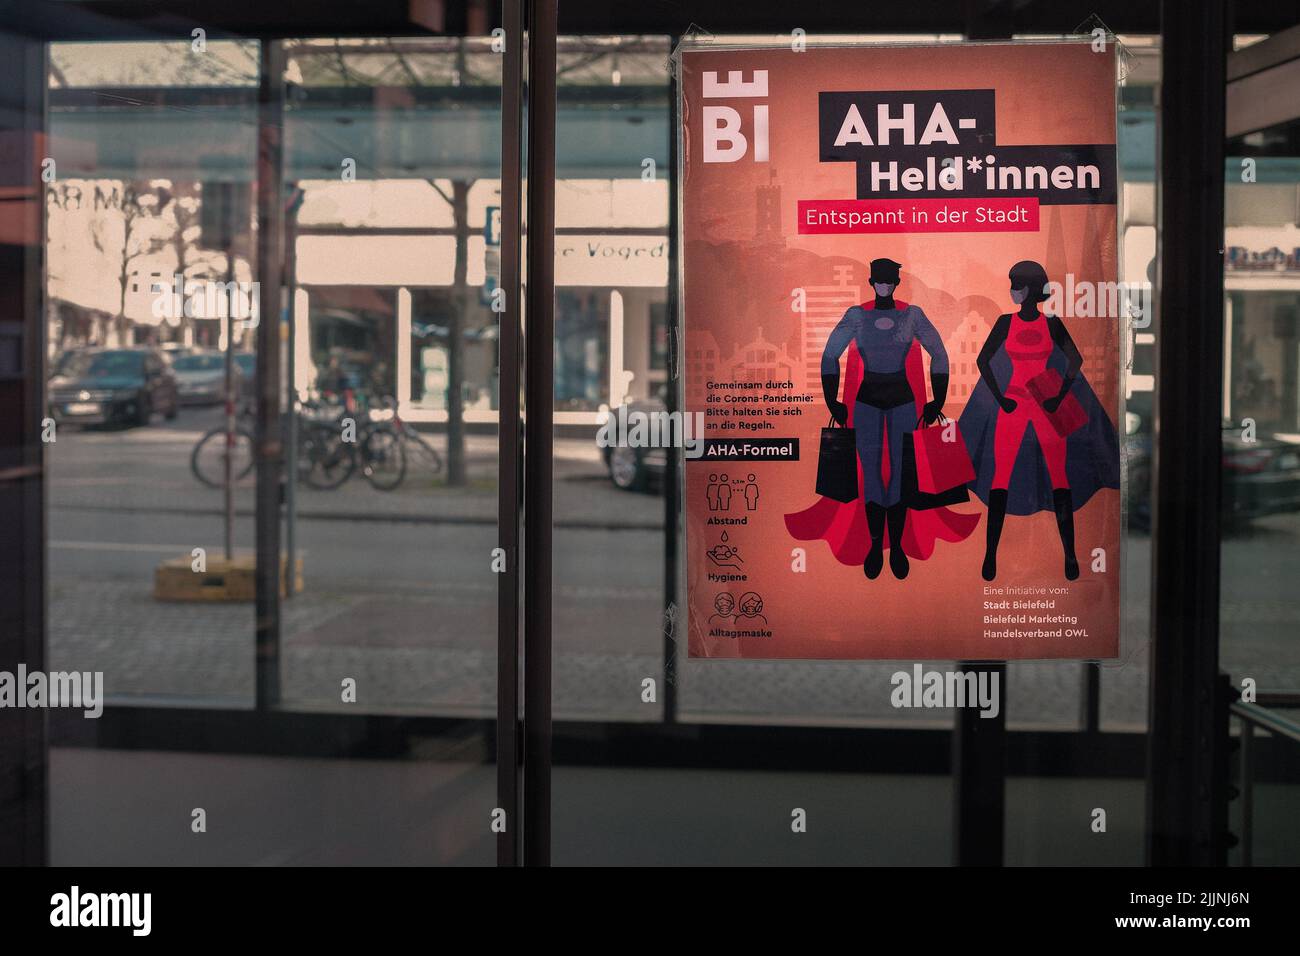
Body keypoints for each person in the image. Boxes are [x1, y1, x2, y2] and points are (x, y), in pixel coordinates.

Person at [958, 260, 1120, 581]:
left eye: (1015, 286)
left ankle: (1070, 556)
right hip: (1016, 401)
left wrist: (1059, 396)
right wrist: (1001, 396)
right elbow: (982, 359)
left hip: (1045, 401)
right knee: (1000, 477)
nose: (1011, 291)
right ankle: (990, 556)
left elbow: (1075, 359)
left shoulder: (1052, 323)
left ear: (1028, 289)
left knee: (1059, 476)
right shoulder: (1006, 322)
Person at [819, 258, 948, 579]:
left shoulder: (911, 316)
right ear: (871, 282)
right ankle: (877, 545)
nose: (885, 286)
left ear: (896, 284)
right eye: (880, 280)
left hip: (902, 401)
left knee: (902, 477)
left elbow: (940, 353)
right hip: (868, 403)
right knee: (873, 478)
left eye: (890, 281)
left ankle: (899, 546)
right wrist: (831, 401)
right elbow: (828, 354)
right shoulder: (857, 317)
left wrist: (939, 400)